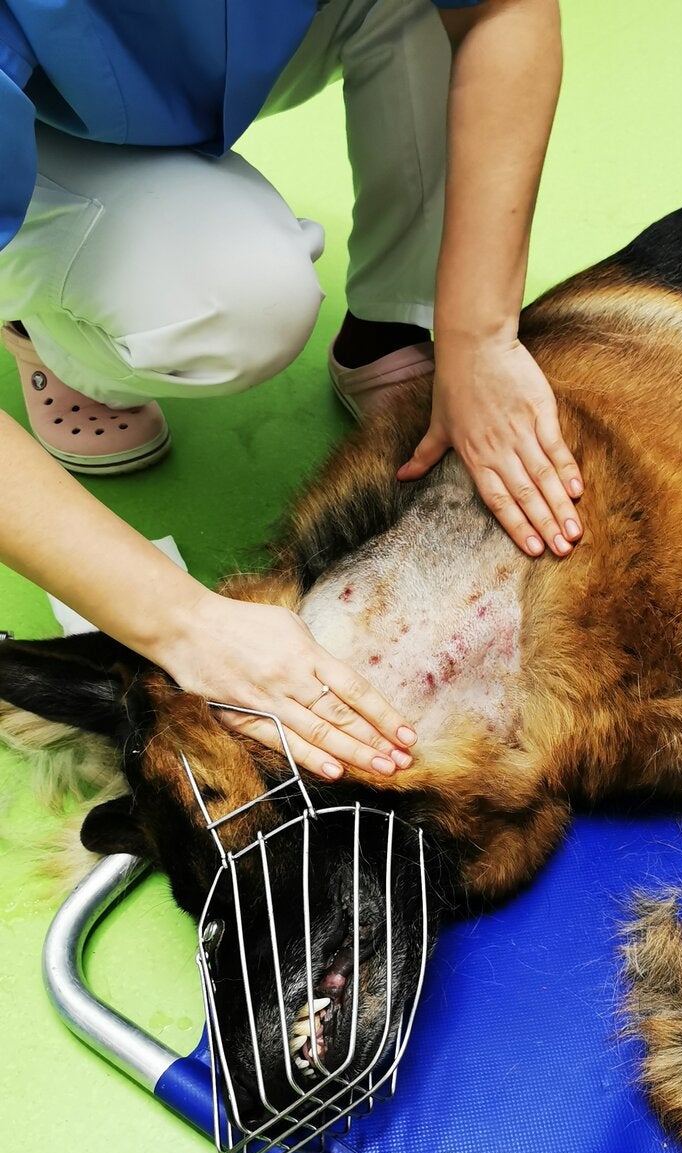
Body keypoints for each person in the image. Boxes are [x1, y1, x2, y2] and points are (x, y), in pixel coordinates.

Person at [0, 0, 583, 780]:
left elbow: (503, 8)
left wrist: (479, 340)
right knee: (241, 302)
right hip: (46, 117)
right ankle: (44, 327)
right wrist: (184, 625)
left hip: (220, 45)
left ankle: (388, 325)